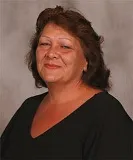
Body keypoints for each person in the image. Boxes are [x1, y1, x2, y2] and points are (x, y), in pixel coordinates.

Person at [1, 5, 133, 160]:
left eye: (65, 46)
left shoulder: (108, 116)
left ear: (87, 61)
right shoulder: (28, 108)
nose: (51, 53)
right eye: (44, 44)